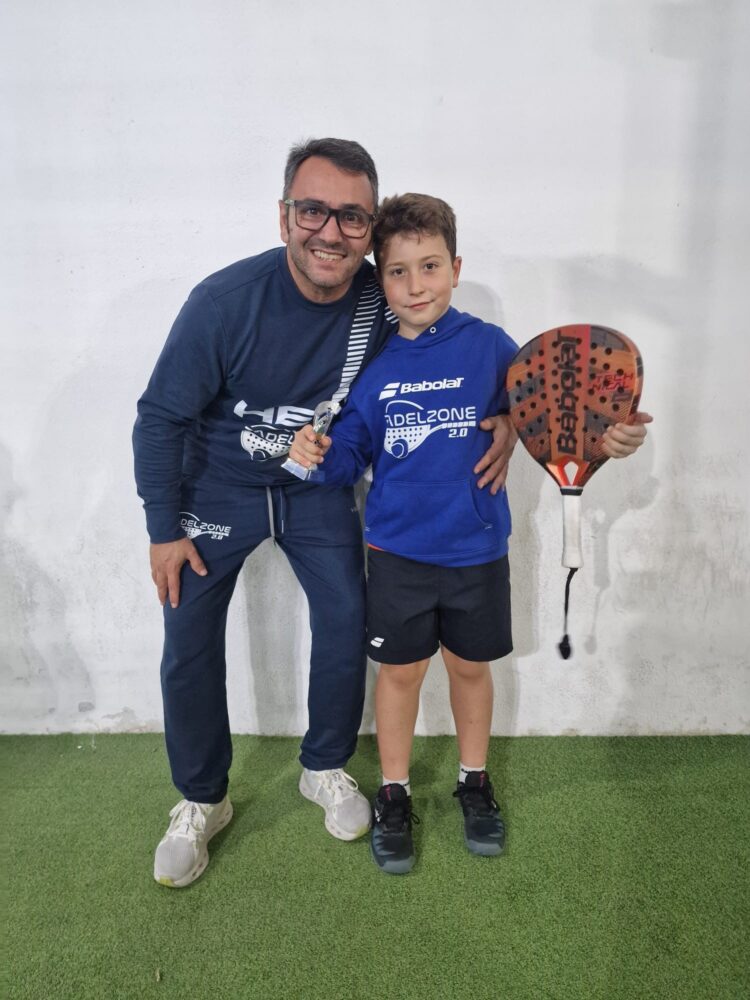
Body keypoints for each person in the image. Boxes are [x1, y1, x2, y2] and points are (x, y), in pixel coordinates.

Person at [132, 139, 523, 888]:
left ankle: (325, 766)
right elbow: (159, 418)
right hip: (218, 488)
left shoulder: (389, 293)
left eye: (351, 216)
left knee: (347, 617)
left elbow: (469, 364)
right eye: (313, 210)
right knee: (188, 635)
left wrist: (507, 418)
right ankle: (201, 798)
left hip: (318, 488)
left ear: (369, 228)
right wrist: (163, 527)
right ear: (284, 217)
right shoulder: (223, 303)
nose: (331, 232)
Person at [287, 193, 652, 874]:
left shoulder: (490, 348)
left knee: (469, 668)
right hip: (395, 555)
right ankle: (393, 793)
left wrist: (612, 436)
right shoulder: (374, 369)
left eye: (429, 266)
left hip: (477, 551)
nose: (415, 284)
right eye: (398, 272)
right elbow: (349, 456)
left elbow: (554, 412)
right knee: (398, 676)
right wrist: (313, 455)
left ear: (454, 267)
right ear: (380, 278)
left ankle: (473, 780)